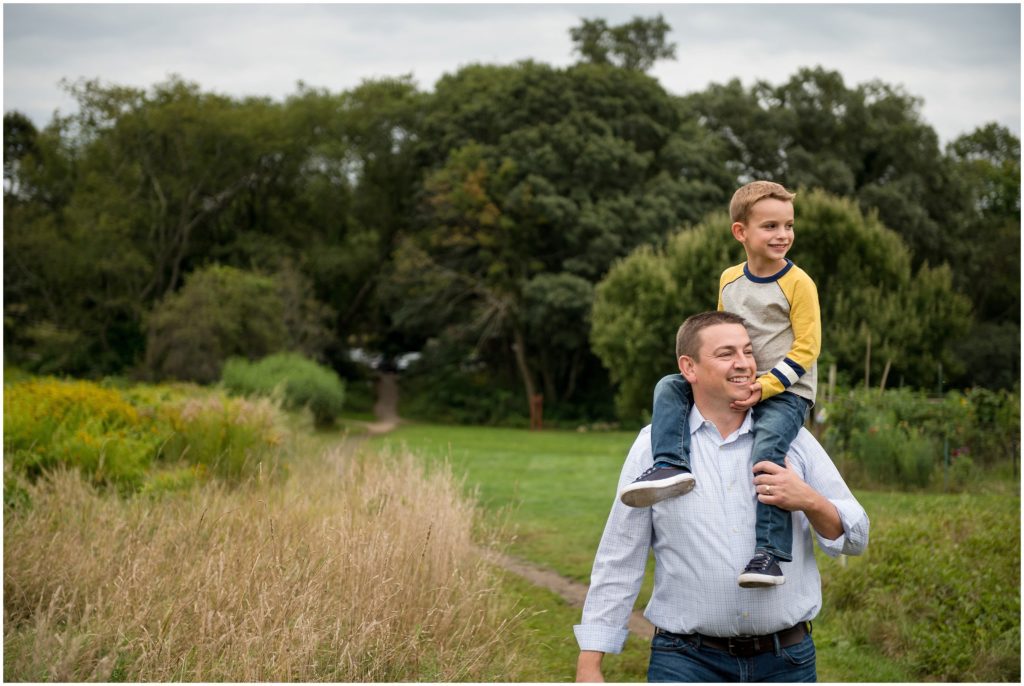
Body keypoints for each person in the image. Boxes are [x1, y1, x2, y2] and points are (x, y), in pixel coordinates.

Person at [575, 311, 868, 683]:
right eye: (727, 354)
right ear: (689, 368)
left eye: (748, 351)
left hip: (786, 663)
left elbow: (856, 537)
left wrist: (809, 500)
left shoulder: (794, 441)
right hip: (685, 663)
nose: (744, 364)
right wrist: (590, 664)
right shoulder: (653, 448)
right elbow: (620, 558)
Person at [618, 180, 820, 588]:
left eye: (789, 225)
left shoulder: (799, 283)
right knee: (669, 386)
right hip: (739, 380)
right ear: (740, 232)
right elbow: (722, 332)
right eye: (770, 226)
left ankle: (770, 554)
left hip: (786, 392)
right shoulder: (730, 279)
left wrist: (765, 386)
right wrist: (713, 375)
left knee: (766, 453)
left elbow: (808, 348)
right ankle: (671, 465)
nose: (783, 235)